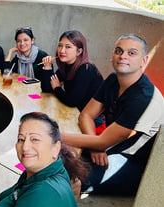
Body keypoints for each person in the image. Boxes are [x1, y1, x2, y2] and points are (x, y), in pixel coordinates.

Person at [62, 34, 164, 196]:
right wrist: (96, 145)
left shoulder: (143, 97)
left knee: (74, 181)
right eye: (119, 51)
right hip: (109, 144)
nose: (123, 56)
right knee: (59, 160)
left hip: (134, 162)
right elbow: (86, 115)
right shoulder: (113, 79)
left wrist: (51, 134)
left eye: (131, 53)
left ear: (143, 61)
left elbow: (103, 140)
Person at [0, 112, 87, 207]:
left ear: (56, 148)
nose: (25, 147)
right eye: (21, 139)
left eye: (35, 139)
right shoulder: (39, 171)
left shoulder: (45, 193)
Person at [41, 30, 104, 112]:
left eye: (68, 47)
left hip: (92, 116)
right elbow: (47, 89)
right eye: (60, 45)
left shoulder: (86, 69)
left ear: (79, 51)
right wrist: (47, 67)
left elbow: (72, 101)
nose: (62, 50)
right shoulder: (66, 65)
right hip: (76, 110)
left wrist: (57, 88)